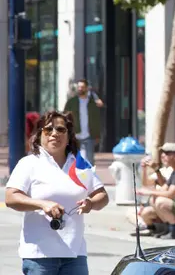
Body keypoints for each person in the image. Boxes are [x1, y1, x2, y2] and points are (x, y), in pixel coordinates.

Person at [5, 110, 109, 275]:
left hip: (75, 254)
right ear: (40, 135)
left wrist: (91, 203)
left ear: (68, 136)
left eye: (61, 130)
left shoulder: (80, 163)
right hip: (40, 256)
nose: (54, 134)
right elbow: (10, 197)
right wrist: (42, 204)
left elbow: (102, 195)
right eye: (48, 129)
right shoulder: (29, 163)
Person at [136, 142, 175, 239]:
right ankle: (168, 229)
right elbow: (164, 188)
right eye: (162, 153)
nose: (163, 156)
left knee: (160, 202)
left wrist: (148, 192)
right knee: (153, 200)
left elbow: (170, 194)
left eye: (167, 153)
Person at [63, 79, 103, 166]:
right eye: (79, 87)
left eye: (82, 87)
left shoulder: (92, 102)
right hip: (75, 134)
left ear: (87, 88)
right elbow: (65, 117)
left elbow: (97, 119)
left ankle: (90, 178)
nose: (80, 89)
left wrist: (97, 135)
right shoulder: (71, 102)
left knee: (89, 161)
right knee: (73, 160)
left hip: (89, 135)